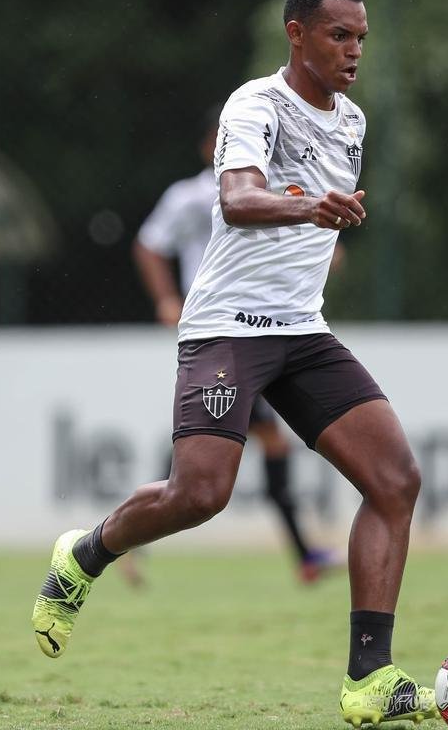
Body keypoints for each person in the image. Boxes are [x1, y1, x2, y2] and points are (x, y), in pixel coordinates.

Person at [32, 0, 437, 727]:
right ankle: (84, 556)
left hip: (302, 331)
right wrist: (308, 206)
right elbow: (237, 199)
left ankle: (370, 679)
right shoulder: (255, 105)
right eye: (339, 36)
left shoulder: (351, 122)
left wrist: (326, 219)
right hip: (227, 330)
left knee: (395, 481)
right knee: (202, 495)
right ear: (297, 33)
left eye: (361, 39)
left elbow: (310, 223)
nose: (353, 51)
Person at [132, 107, 340, 584]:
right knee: (215, 454)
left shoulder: (267, 190)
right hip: (222, 332)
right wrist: (166, 297)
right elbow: (148, 243)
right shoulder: (191, 196)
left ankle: (303, 555)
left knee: (222, 445)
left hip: (264, 330)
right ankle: (125, 541)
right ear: (211, 145)